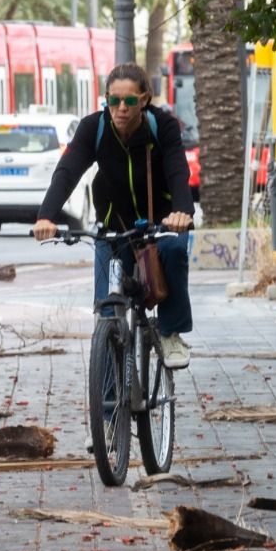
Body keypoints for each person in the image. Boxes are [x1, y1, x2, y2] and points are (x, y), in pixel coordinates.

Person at [33, 63, 196, 369]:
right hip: (113, 227)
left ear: (144, 99)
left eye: (130, 101)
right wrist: (47, 216)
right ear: (106, 99)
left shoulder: (163, 126)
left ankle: (171, 332)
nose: (121, 108)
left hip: (161, 223)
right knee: (107, 315)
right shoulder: (93, 128)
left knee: (174, 250)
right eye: (114, 101)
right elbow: (68, 172)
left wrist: (182, 212)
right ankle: (108, 410)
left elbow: (177, 170)